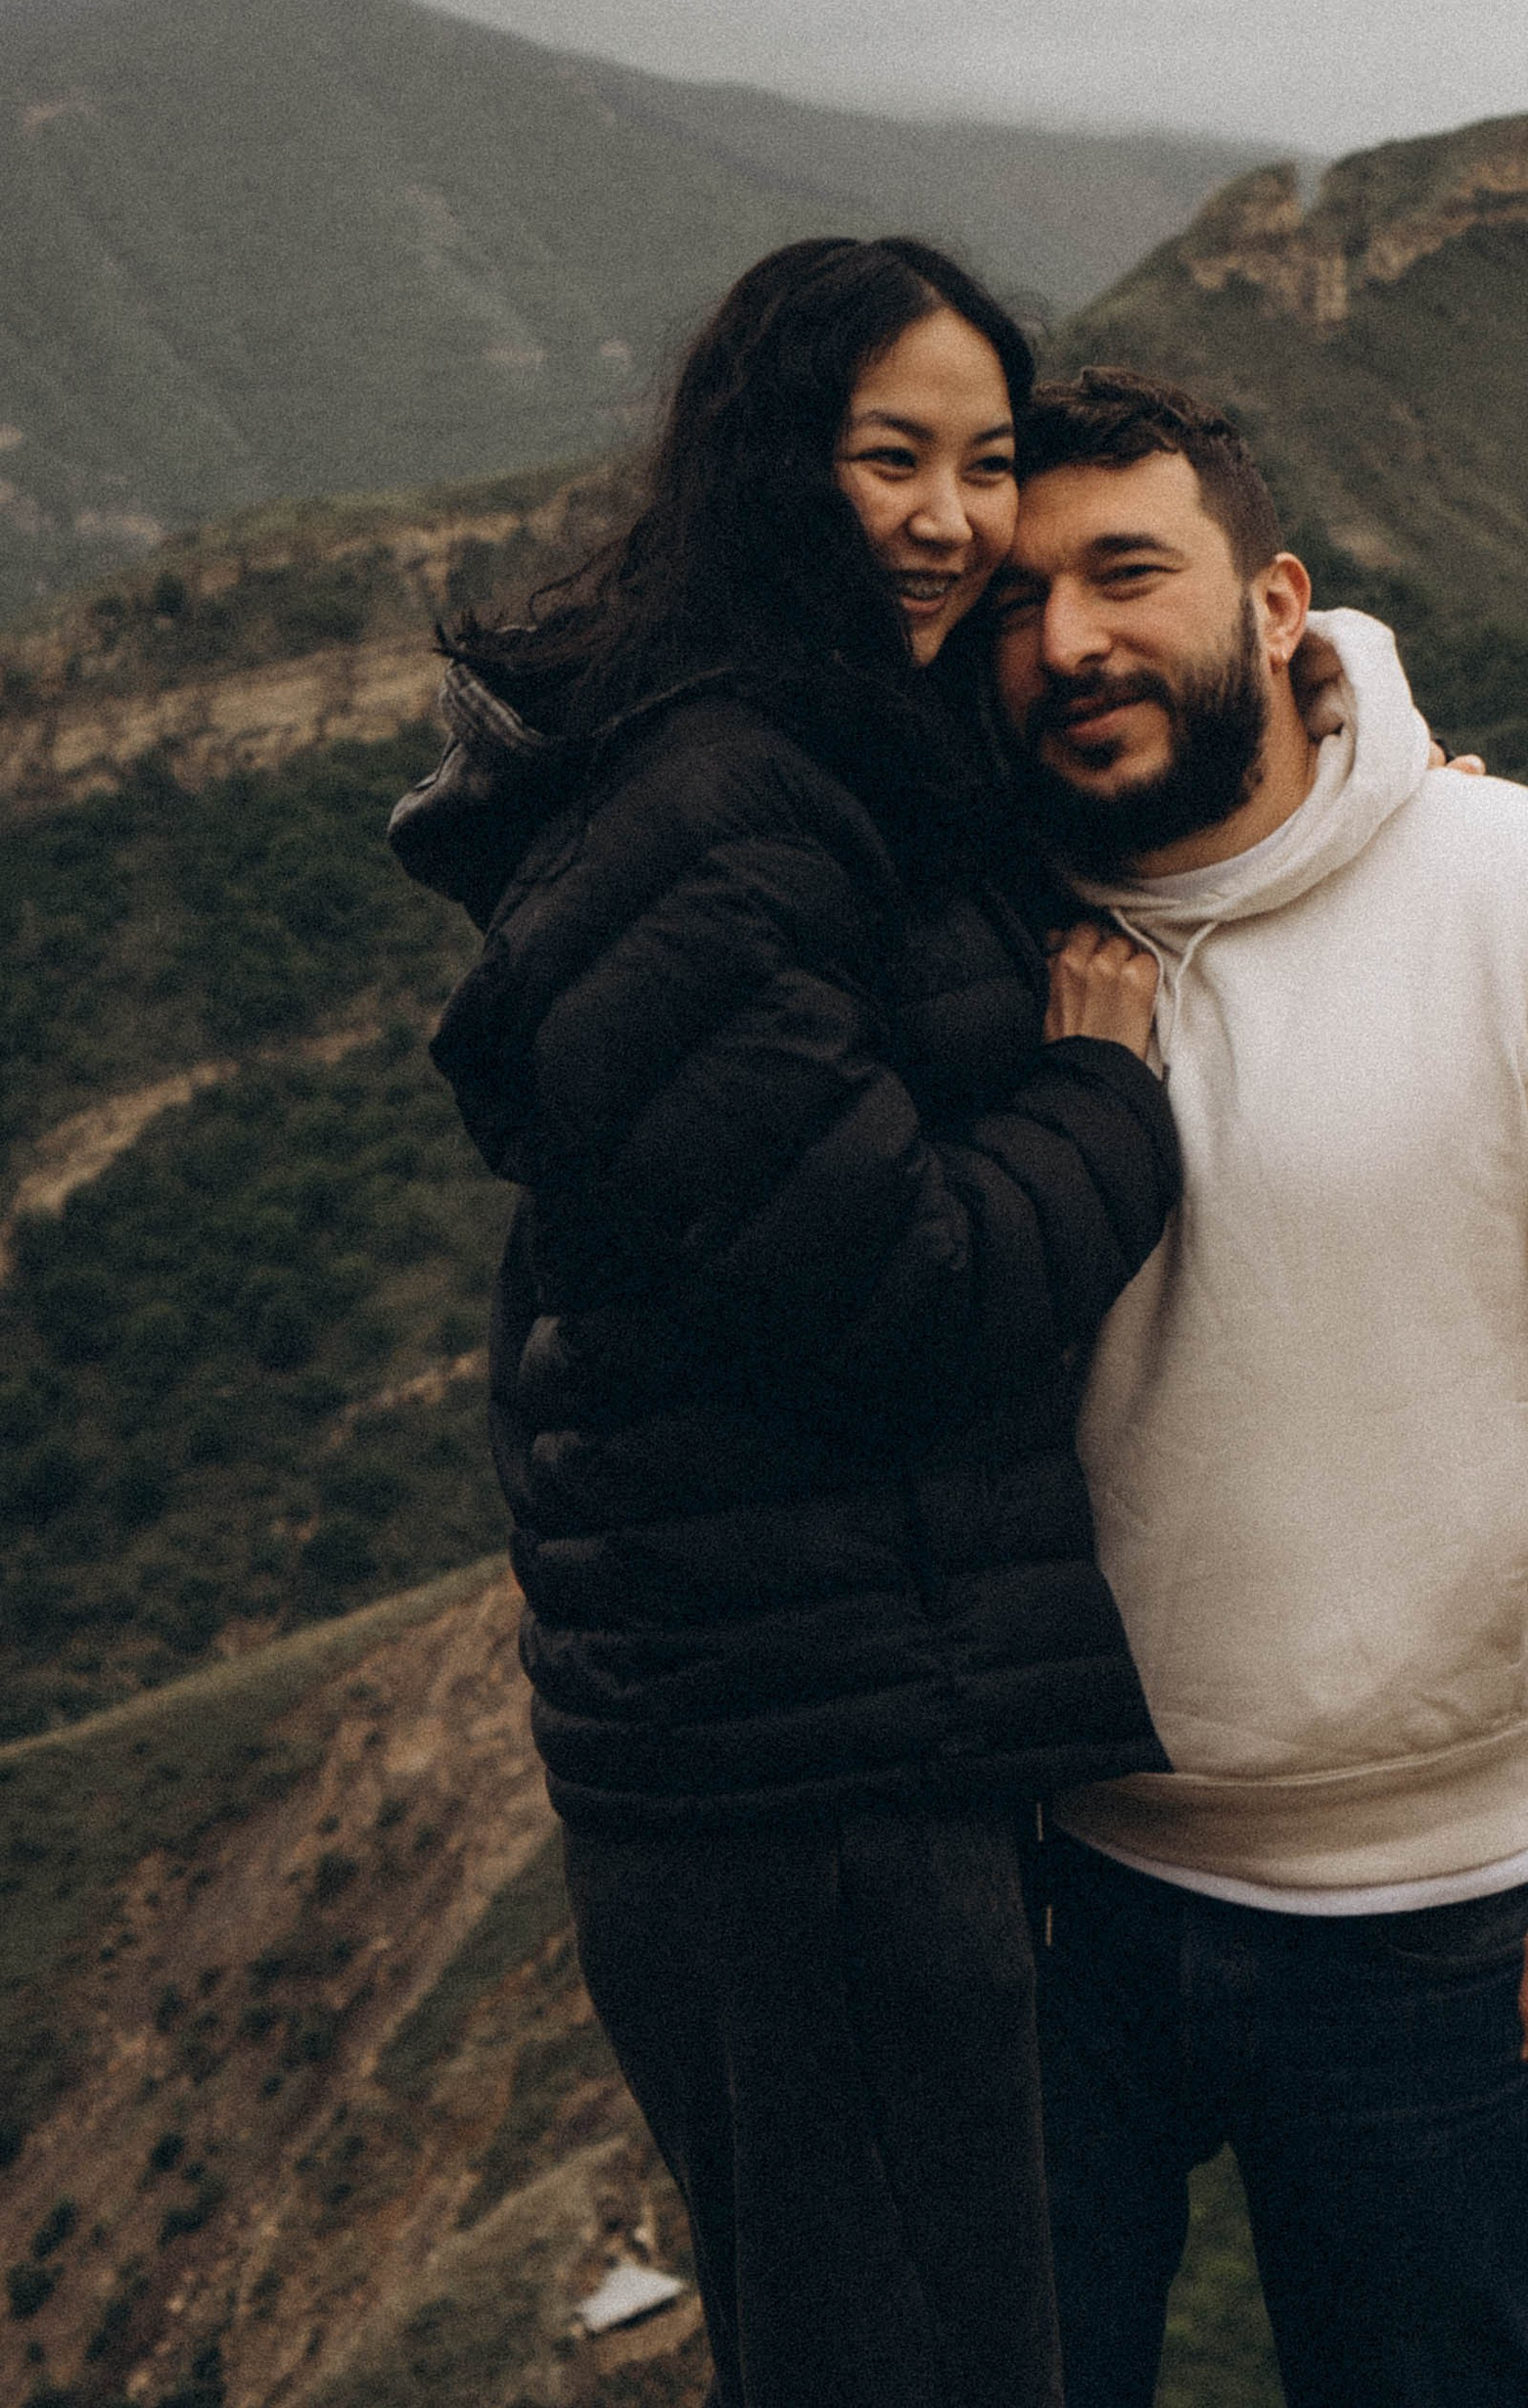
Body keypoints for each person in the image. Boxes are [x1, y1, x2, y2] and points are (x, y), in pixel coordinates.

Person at [987, 366, 1528, 2408]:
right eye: (1020, 600)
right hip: (1037, 1894)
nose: (1072, 639)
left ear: (1274, 601)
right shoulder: (976, 926)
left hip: (1430, 1920)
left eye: (1128, 572)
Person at [387, 240, 1179, 2408]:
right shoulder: (714, 801)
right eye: (886, 455)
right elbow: (900, 1289)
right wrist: (1106, 1099)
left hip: (815, 1732)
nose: (947, 514)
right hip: (801, 1786)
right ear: (770, 467)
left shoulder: (824, 753)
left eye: (985, 464)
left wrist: (1362, 745)